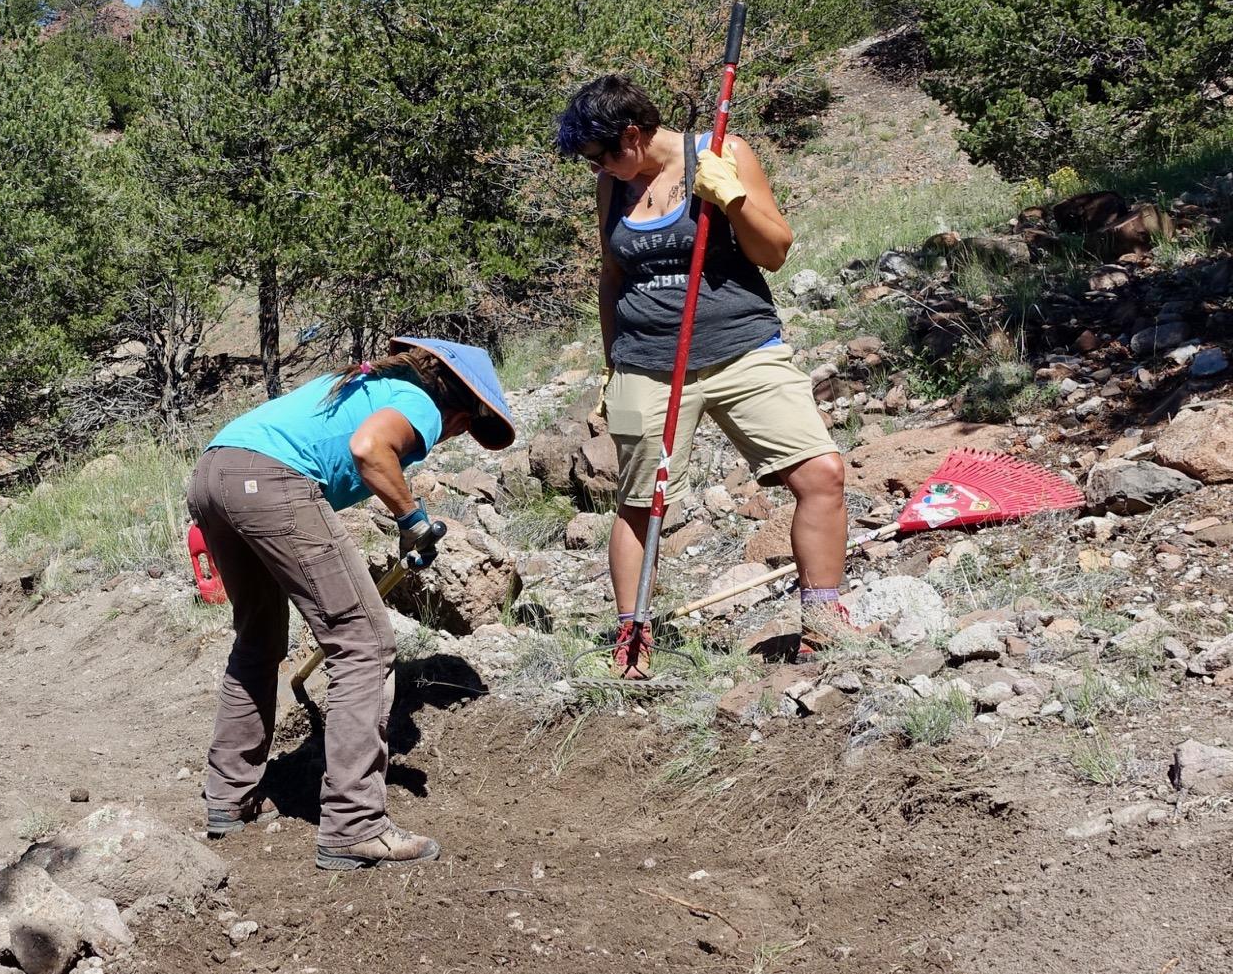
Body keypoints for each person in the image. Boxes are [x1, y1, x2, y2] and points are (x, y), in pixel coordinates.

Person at [554, 74, 856, 676]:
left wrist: (733, 200)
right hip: (646, 364)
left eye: (600, 155)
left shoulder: (723, 153)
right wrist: (613, 367)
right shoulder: (611, 188)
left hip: (742, 347)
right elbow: (612, 275)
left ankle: (821, 625)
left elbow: (774, 250)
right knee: (640, 502)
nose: (599, 171)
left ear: (633, 135)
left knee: (821, 474)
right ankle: (632, 638)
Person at [189, 337, 516, 871]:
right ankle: (355, 824)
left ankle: (229, 798)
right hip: (271, 480)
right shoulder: (421, 404)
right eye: (467, 425)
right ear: (462, 405)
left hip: (215, 473)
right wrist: (413, 521)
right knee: (363, 643)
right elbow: (370, 450)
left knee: (259, 641)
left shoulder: (370, 386)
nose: (457, 435)